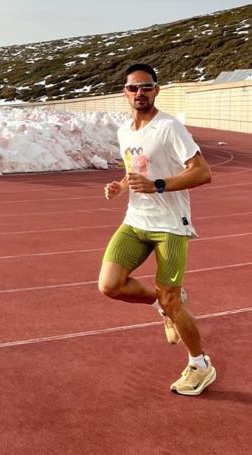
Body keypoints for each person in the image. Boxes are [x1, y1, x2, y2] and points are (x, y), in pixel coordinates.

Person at [98, 63, 215, 396]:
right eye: (133, 88)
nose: (140, 93)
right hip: (136, 221)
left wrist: (160, 185)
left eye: (146, 87)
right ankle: (160, 306)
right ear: (125, 92)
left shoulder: (170, 128)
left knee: (173, 300)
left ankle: (200, 366)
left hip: (170, 227)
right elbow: (135, 170)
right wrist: (121, 186)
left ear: (156, 90)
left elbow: (203, 172)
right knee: (109, 284)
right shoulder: (126, 132)